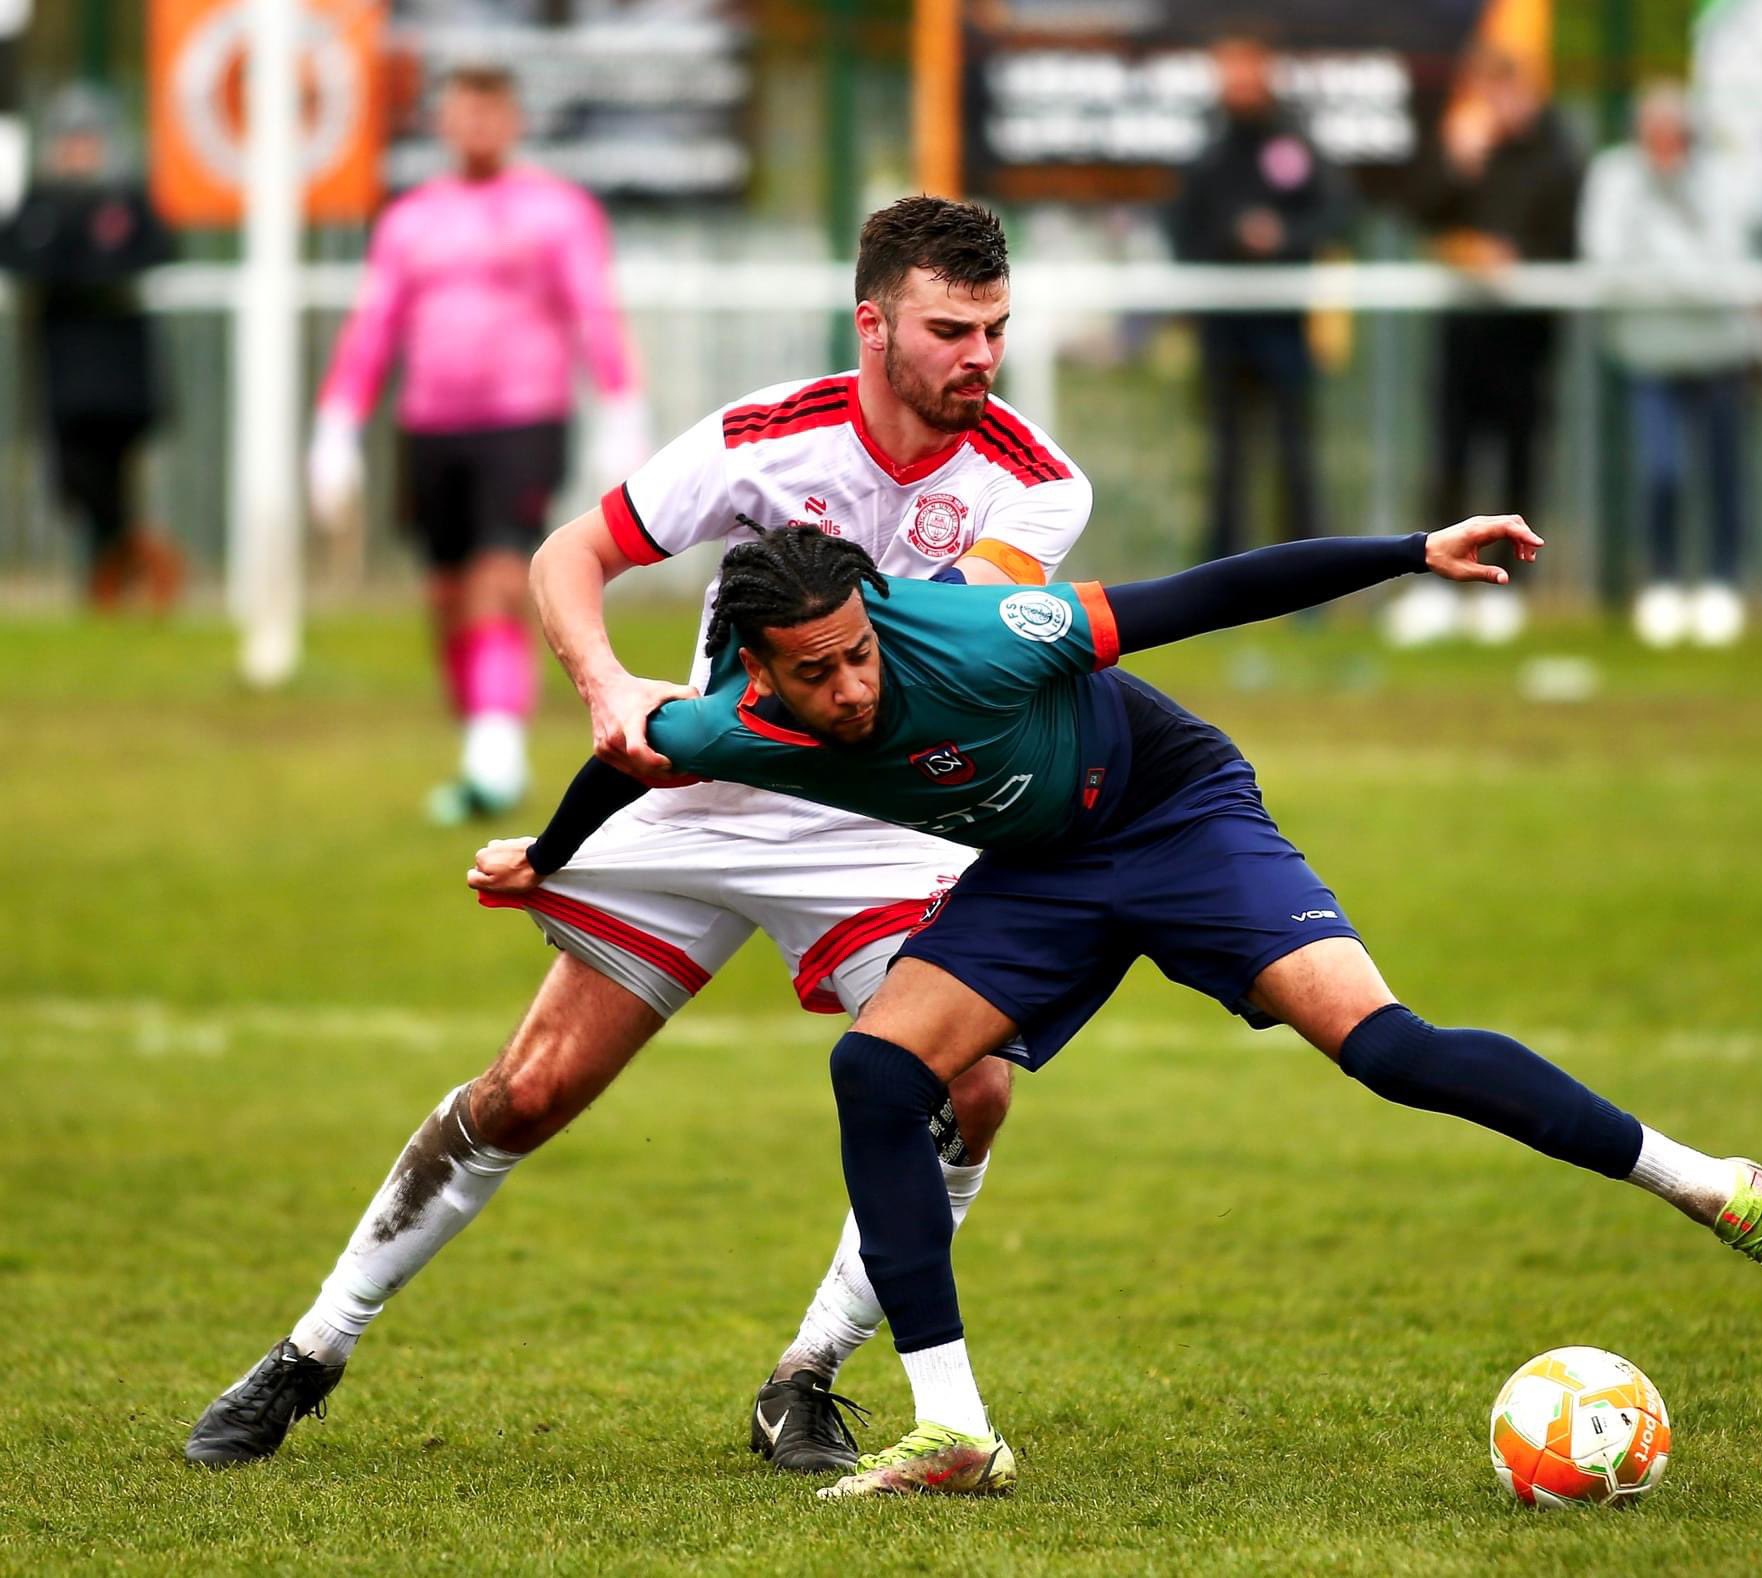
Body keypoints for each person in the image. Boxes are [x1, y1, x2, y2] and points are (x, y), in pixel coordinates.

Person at [475, 518, 1762, 1499]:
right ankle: (950, 1429)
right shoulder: (738, 725)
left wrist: (1405, 553)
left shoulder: (978, 633)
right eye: (816, 671)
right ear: (761, 672)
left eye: (858, 653)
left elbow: (1206, 593)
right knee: (879, 1072)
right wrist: (549, 852)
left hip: (1174, 810)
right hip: (1040, 873)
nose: (851, 686)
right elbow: (629, 745)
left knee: (1387, 1049)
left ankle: (1713, 1184)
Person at [183, 197, 1093, 1475]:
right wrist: (609, 689)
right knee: (529, 1092)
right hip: (702, 796)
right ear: (873, 323)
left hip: (870, 831)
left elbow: (915, 666)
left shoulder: (1038, 483)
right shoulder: (765, 437)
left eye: (996, 329)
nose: (981, 356)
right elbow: (572, 553)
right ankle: (309, 1351)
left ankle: (806, 1376)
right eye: (952, 329)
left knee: (969, 1089)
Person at [307, 64, 652, 821]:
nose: (477, 129)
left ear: (513, 122)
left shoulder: (557, 212)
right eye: (464, 114)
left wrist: (621, 408)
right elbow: (374, 329)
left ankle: (494, 762)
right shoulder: (411, 220)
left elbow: (597, 311)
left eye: (491, 114)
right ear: (444, 123)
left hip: (523, 422)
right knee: (447, 595)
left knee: (500, 577)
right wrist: (336, 423)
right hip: (430, 426)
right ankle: (482, 743)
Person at [1390, 44, 1582, 646]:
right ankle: (1435, 584)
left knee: (1518, 457)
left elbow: (1569, 238)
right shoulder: (1467, 148)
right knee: (1450, 456)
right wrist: (1456, 163)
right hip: (1464, 329)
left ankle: (1505, 591)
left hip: (1525, 335)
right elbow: (1420, 213)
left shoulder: (1559, 153)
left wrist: (1516, 258)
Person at [1579, 81, 1754, 648]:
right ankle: (1663, 581)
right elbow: (1605, 261)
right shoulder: (1615, 176)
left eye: (1673, 133)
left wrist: (1663, 262)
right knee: (1662, 471)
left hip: (1720, 352)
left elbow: (1727, 270)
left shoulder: (1720, 178)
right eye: (1653, 132)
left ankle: (1723, 585)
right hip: (1648, 351)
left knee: (1724, 474)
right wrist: (1681, 266)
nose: (1664, 145)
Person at [1166, 33, 1350, 560]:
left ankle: (1310, 576)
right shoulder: (1204, 144)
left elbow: (1337, 212)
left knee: (1295, 454)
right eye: (1230, 69)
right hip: (1223, 324)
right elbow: (1182, 226)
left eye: (1248, 68)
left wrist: (1283, 238)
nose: (1240, 80)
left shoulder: (1294, 139)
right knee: (1226, 457)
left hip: (1284, 324)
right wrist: (1230, 238)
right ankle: (1218, 578)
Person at [0, 84, 182, 611]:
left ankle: (109, 582)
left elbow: (152, 250)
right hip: (63, 368)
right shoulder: (42, 201)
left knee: (114, 475)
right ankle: (127, 560)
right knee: (73, 478)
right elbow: (25, 257)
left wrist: (85, 272)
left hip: (121, 373)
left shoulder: (126, 199)